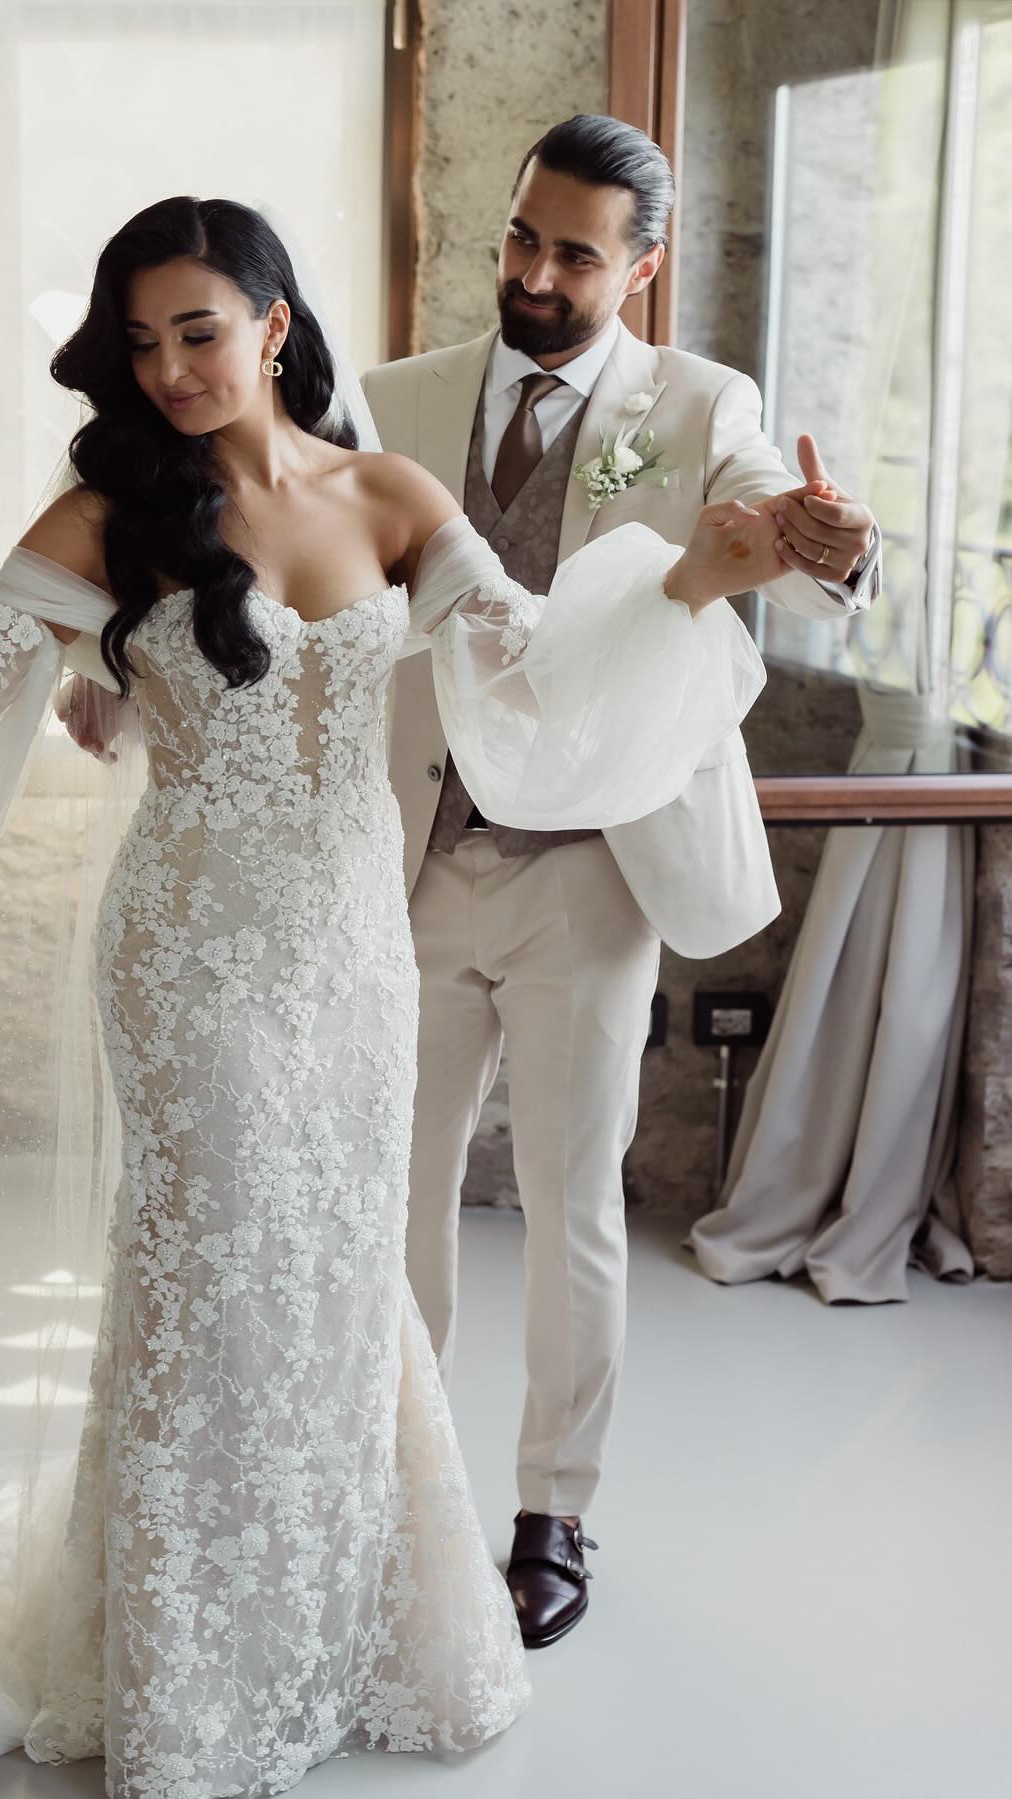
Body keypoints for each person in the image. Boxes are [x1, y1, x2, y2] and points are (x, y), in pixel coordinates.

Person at [0, 194, 784, 1795]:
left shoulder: (393, 494)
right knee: (213, 1286)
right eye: (140, 343)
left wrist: (695, 581)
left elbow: (536, 681)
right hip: (194, 958)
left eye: (200, 331)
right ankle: (193, 1659)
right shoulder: (107, 520)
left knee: (342, 1272)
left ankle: (342, 1625)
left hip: (354, 954)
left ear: (274, 324)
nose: (172, 369)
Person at [361, 114, 882, 1650]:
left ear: (641, 267)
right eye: (521, 238)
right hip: (411, 850)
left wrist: (828, 550)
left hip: (588, 874)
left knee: (575, 1198)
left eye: (573, 254)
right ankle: (404, 1484)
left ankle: (554, 1509)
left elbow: (760, 528)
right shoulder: (398, 398)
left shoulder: (699, 401)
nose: (532, 273)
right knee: (397, 1193)